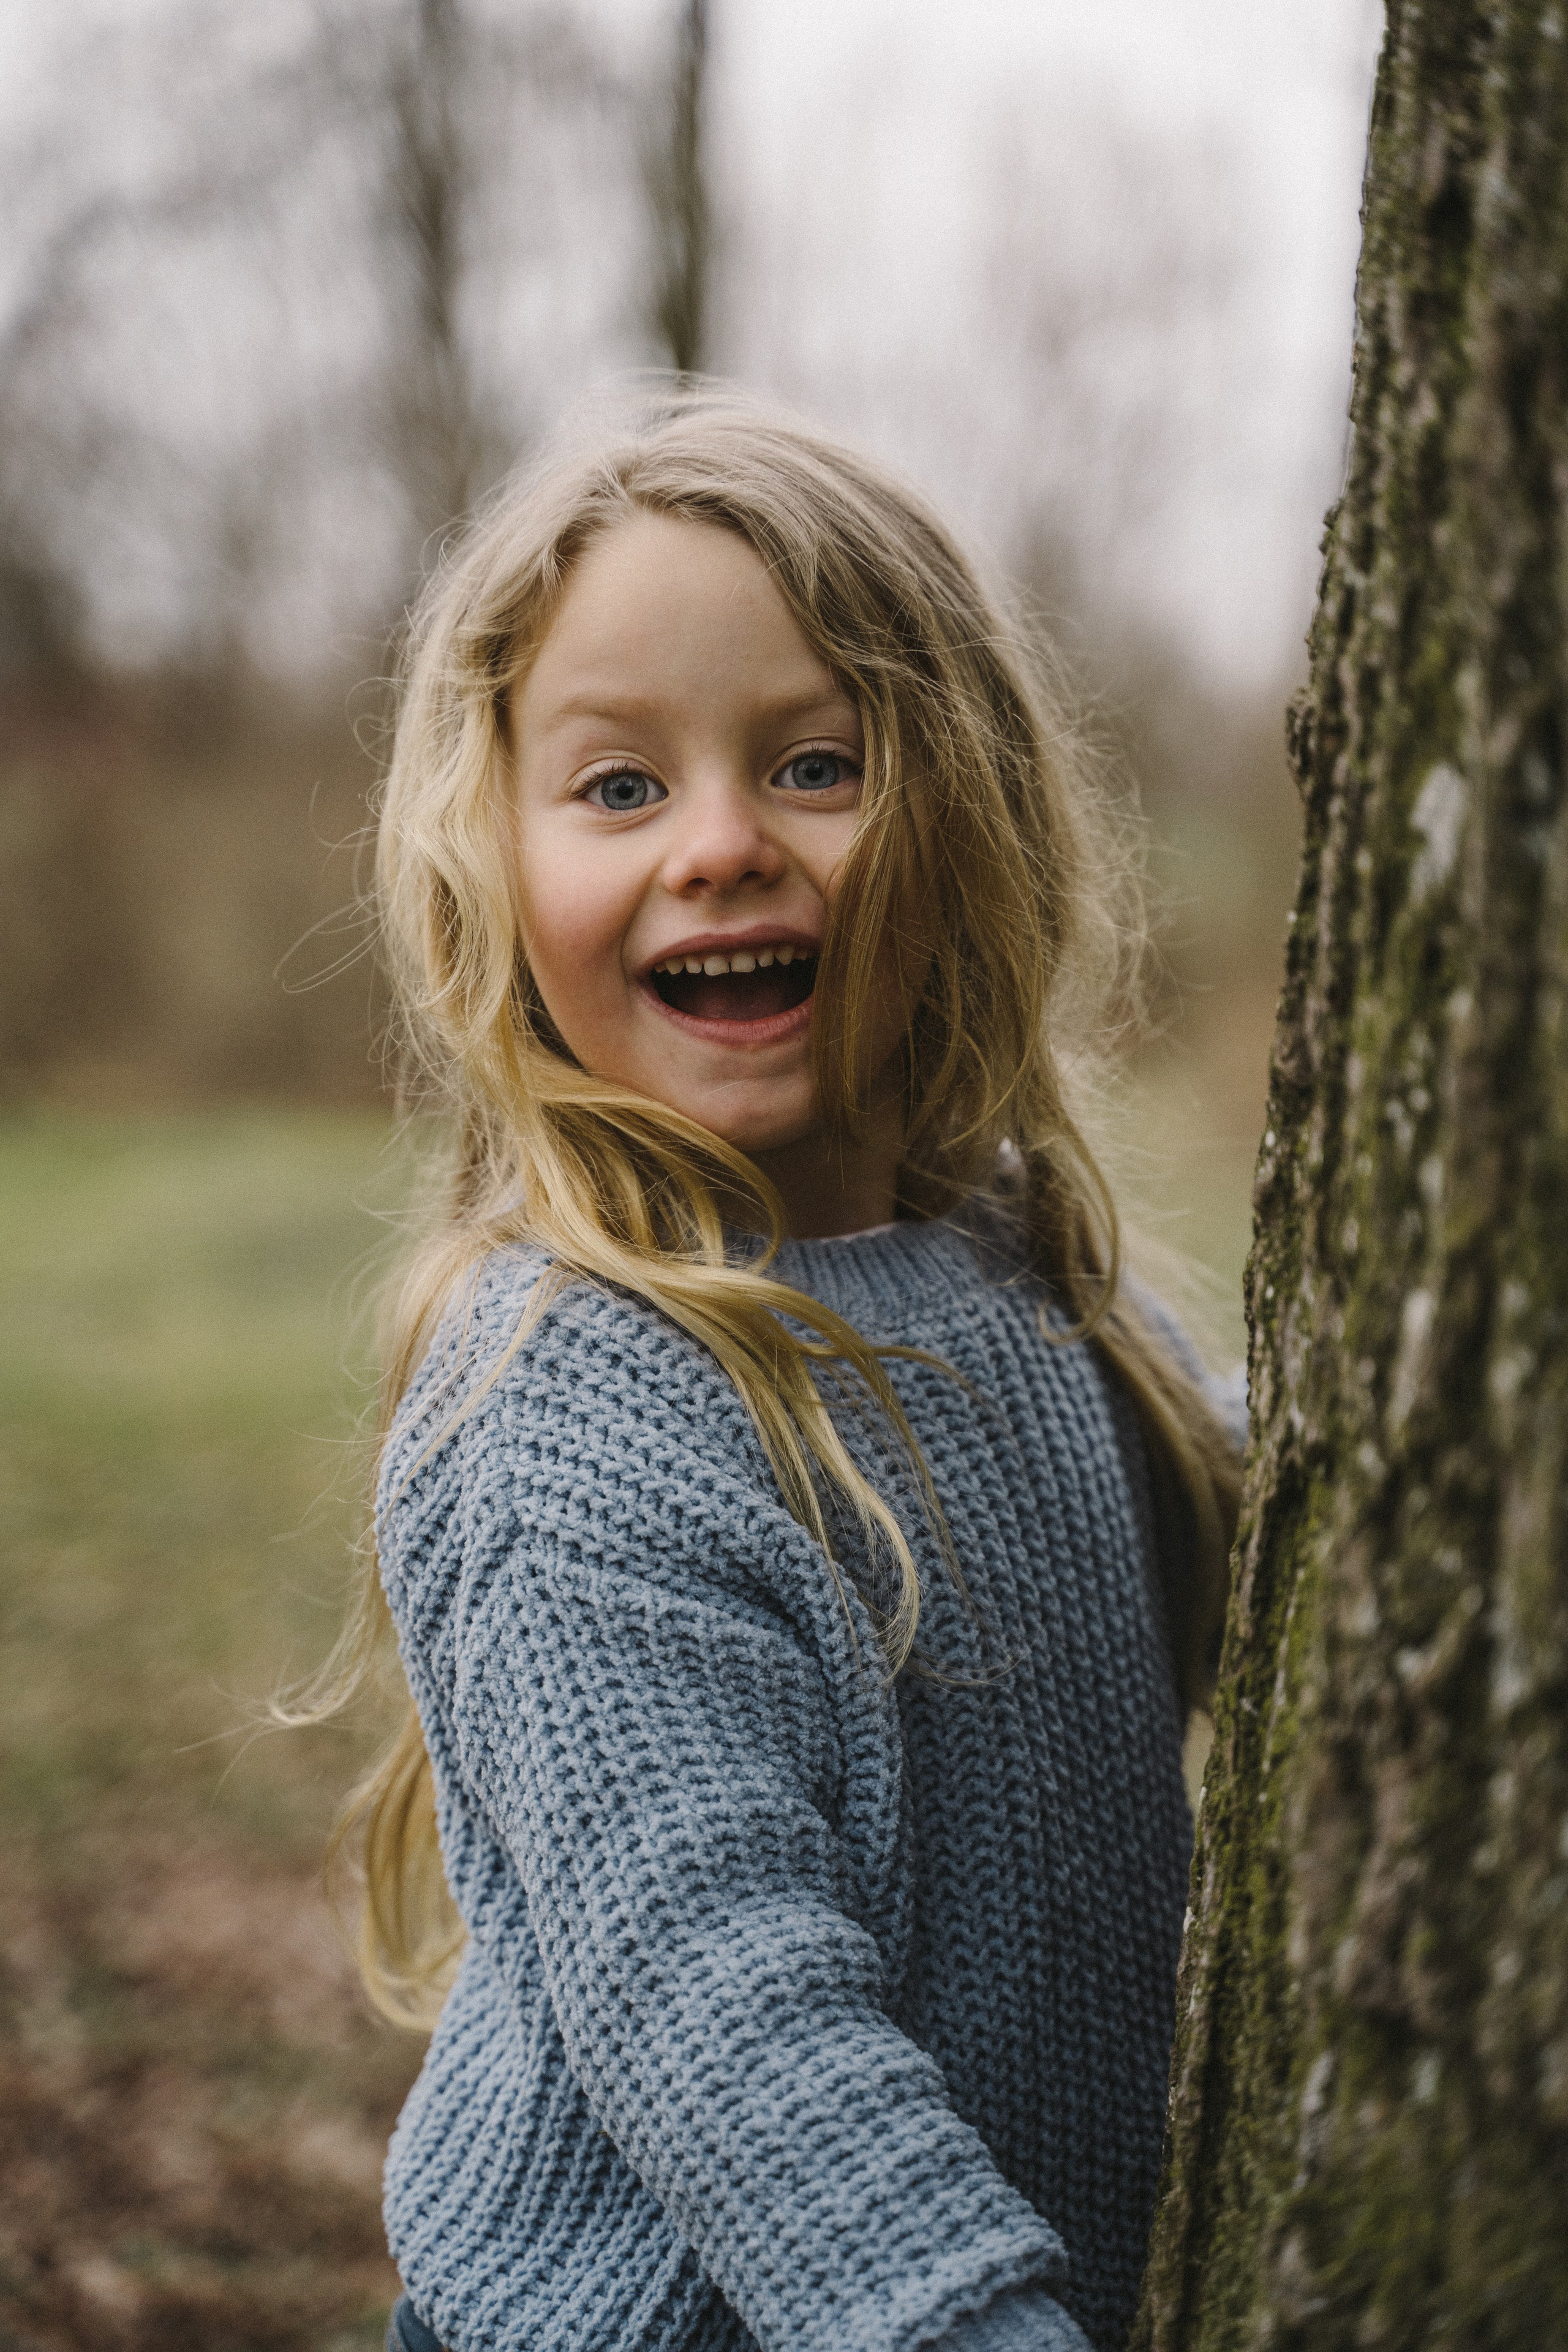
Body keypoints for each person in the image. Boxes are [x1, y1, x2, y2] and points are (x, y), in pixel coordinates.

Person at [328, 391, 1242, 2352]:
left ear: (971, 810)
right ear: (491, 859)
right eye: (620, 788)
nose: (725, 844)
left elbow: (1314, 1563)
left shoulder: (1027, 1275)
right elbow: (730, 2024)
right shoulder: (571, 1406)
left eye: (815, 763)